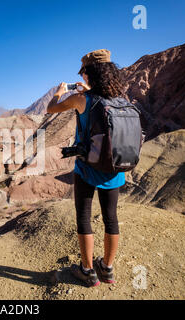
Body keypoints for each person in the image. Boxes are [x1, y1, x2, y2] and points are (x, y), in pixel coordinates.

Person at [46, 49, 126, 287]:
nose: (81, 76)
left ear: (89, 74)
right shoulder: (121, 100)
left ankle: (88, 270)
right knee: (111, 218)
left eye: (83, 72)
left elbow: (52, 108)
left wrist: (60, 92)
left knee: (84, 218)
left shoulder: (81, 99)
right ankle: (107, 269)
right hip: (114, 169)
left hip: (87, 169)